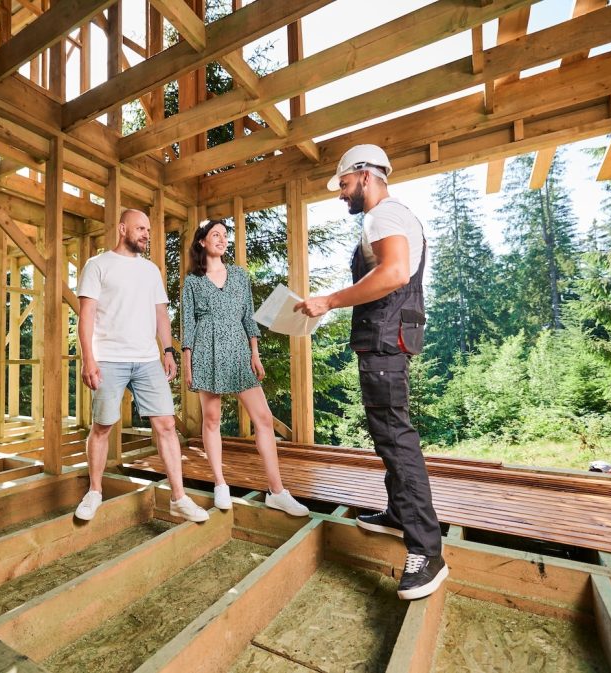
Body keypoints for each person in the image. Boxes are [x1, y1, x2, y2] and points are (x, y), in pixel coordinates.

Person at [294, 144, 448, 601]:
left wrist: (329, 301)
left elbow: (395, 273)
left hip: (384, 341)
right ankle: (400, 513)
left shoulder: (382, 216)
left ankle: (427, 551)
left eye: (343, 184)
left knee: (396, 439)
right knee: (388, 434)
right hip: (388, 339)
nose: (341, 194)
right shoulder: (396, 216)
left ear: (365, 176)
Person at [75, 209, 210, 523]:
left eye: (148, 230)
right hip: (108, 358)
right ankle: (94, 491)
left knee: (165, 426)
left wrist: (167, 351)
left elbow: (161, 314)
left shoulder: (151, 271)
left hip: (148, 359)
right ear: (122, 229)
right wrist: (88, 358)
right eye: (140, 228)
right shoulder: (97, 265)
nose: (146, 234)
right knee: (103, 427)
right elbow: (87, 316)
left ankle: (178, 497)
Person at [181, 220, 309, 517]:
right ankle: (220, 485)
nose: (222, 239)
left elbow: (248, 317)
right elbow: (188, 323)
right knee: (211, 419)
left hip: (239, 350)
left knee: (263, 418)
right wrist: (187, 362)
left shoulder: (239, 275)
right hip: (206, 350)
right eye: (215, 235)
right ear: (201, 242)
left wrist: (255, 353)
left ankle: (277, 491)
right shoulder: (193, 281)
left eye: (225, 236)